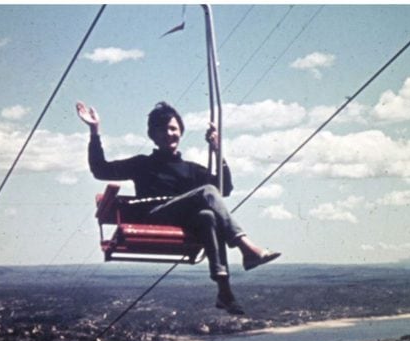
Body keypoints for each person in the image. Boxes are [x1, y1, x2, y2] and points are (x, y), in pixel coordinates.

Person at [77, 100, 281, 315]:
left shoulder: (191, 170)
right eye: (162, 129)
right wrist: (94, 131)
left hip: (183, 223)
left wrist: (218, 151)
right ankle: (246, 247)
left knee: (207, 216)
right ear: (153, 135)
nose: (168, 133)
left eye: (173, 128)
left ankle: (224, 291)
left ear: (181, 132)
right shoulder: (142, 164)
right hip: (154, 217)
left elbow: (226, 189)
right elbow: (100, 170)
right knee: (208, 191)